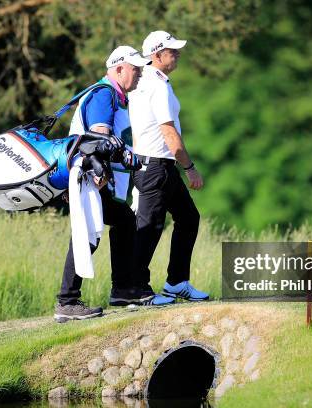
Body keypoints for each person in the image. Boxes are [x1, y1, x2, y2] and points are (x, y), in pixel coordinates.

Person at [54, 45, 153, 322]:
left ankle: (122, 289)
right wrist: (106, 173)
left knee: (122, 220)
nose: (140, 74)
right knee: (89, 234)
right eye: (136, 69)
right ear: (119, 68)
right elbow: (99, 139)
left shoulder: (115, 96)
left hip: (92, 177)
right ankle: (67, 301)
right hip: (89, 178)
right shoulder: (103, 94)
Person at [128, 31, 210, 302]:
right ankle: (136, 289)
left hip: (158, 165)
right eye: (172, 50)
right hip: (156, 166)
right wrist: (190, 168)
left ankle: (176, 282)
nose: (177, 54)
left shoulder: (147, 81)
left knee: (188, 218)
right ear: (156, 54)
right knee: (149, 226)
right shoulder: (157, 85)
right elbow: (169, 132)